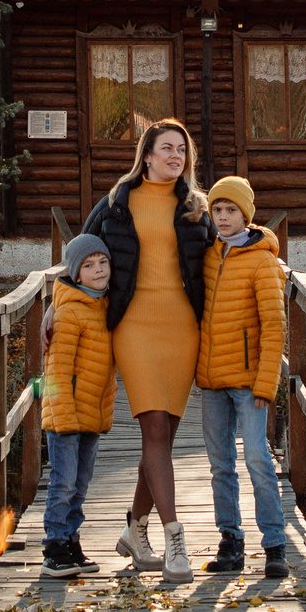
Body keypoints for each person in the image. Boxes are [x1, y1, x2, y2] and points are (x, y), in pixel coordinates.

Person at [78, 117, 208, 581]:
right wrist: (58, 302)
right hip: (134, 327)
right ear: (147, 155)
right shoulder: (116, 201)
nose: (176, 156)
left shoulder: (196, 207)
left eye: (182, 150)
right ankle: (176, 538)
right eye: (167, 148)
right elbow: (81, 250)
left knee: (164, 440)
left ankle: (135, 528)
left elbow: (225, 255)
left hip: (182, 329)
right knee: (153, 428)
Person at [192, 176, 290, 580]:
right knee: (220, 464)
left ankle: (274, 544)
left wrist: (267, 384)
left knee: (256, 458)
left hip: (250, 381)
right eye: (217, 210)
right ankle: (230, 541)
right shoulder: (208, 254)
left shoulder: (262, 260)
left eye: (231, 210)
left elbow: (273, 325)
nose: (223, 217)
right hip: (213, 381)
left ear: (246, 215)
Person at [39, 233, 115, 578]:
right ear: (75, 273)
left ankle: (72, 540)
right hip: (66, 417)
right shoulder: (69, 312)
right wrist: (62, 416)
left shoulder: (106, 305)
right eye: (88, 265)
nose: (98, 270)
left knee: (81, 483)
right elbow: (56, 370)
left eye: (103, 262)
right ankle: (54, 545)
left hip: (93, 413)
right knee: (63, 482)